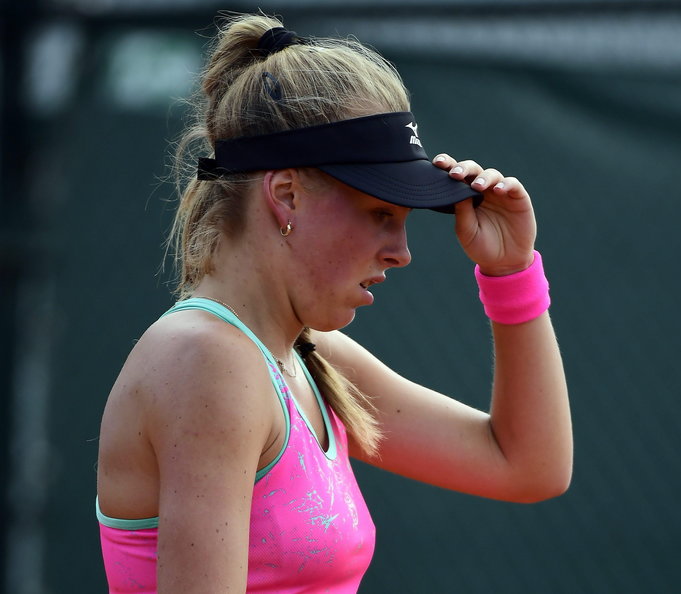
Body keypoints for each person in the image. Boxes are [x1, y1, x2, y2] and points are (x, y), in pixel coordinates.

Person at [96, 13, 573, 594]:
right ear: (287, 193)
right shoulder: (206, 362)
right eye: (380, 215)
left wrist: (512, 271)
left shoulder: (305, 356)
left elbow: (528, 467)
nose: (401, 252)